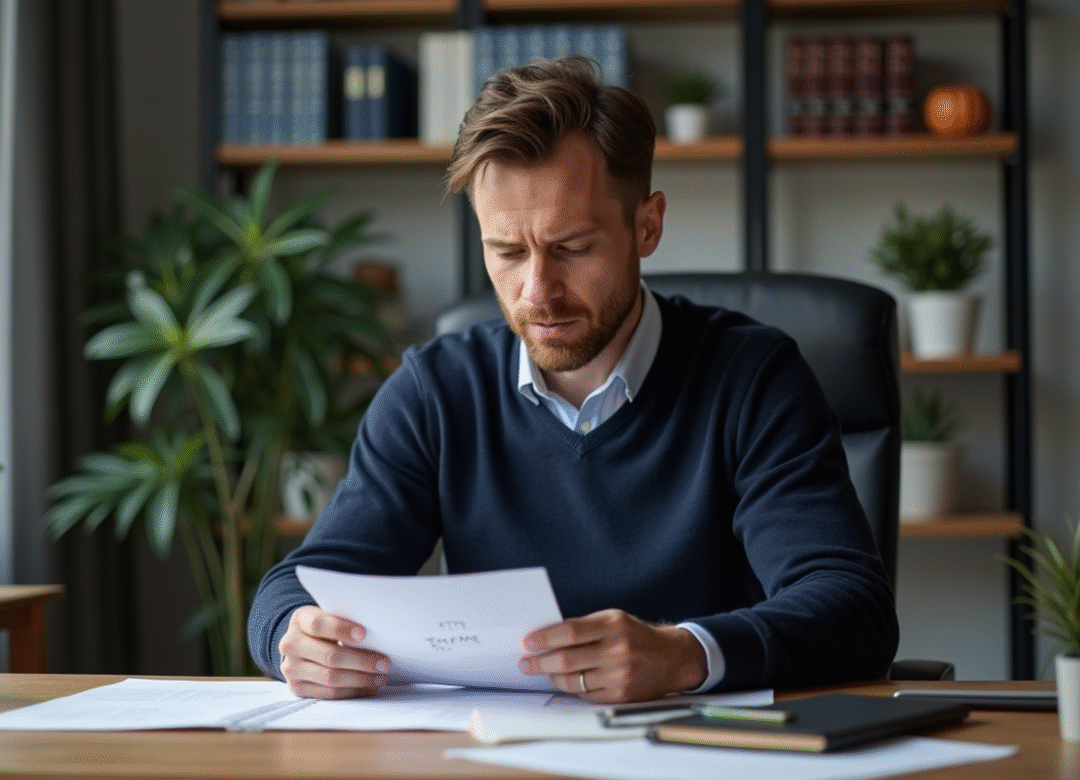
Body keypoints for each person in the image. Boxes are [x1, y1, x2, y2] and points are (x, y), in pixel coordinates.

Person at [248, 56, 898, 704]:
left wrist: (684, 654)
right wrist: (296, 637)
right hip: (497, 758)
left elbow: (852, 608)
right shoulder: (435, 392)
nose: (537, 292)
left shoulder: (752, 378)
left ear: (647, 225)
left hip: (702, 753)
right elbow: (295, 588)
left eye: (571, 248)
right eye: (506, 252)